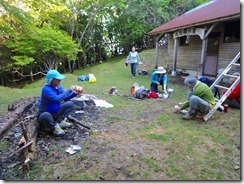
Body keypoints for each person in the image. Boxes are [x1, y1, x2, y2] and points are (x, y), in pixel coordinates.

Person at [37, 70, 83, 136]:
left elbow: (65, 98)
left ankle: (61, 122)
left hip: (56, 111)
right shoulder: (46, 89)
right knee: (45, 115)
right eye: (57, 79)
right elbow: (57, 99)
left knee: (70, 104)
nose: (59, 80)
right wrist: (70, 89)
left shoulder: (58, 86)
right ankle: (55, 127)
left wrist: (75, 93)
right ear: (51, 80)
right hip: (46, 113)